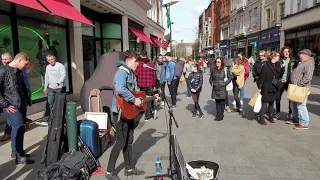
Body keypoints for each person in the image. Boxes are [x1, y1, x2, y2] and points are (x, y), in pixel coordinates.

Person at [105, 50, 150, 180]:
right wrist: (133, 99)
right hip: (120, 113)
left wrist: (149, 97)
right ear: (128, 61)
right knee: (120, 141)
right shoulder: (122, 73)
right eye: (135, 61)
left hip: (128, 112)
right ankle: (109, 171)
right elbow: (120, 89)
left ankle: (129, 168)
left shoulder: (131, 73)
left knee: (129, 141)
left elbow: (136, 93)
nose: (137, 63)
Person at [0, 52, 34, 164]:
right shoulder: (3, 70)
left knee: (20, 129)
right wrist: (5, 105)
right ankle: (19, 156)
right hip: (11, 106)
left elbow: (22, 87)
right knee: (19, 128)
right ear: (19, 60)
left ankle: (17, 151)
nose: (25, 67)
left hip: (21, 104)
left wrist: (27, 101)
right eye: (25, 64)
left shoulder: (18, 71)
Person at [286, 49, 314, 130]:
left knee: (301, 106)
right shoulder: (303, 62)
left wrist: (299, 84)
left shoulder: (309, 63)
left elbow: (308, 77)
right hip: (296, 87)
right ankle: (295, 118)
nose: (299, 55)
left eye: (300, 54)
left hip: (302, 88)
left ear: (305, 55)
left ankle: (304, 123)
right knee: (293, 104)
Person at [36, 54, 66, 126]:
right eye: (49, 60)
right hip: (50, 88)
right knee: (49, 103)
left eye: (52, 59)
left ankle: (62, 120)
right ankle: (47, 119)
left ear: (54, 59)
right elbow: (46, 76)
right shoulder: (48, 67)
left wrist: (58, 83)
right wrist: (45, 87)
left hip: (59, 88)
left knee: (59, 104)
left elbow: (63, 75)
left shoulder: (60, 66)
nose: (51, 61)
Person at [257, 51, 281, 125]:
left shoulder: (277, 65)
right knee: (264, 103)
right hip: (266, 87)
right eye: (277, 56)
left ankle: (271, 117)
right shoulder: (266, 66)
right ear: (274, 57)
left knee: (271, 102)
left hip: (274, 87)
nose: (279, 57)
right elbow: (262, 78)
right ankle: (261, 118)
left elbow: (279, 74)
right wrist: (260, 87)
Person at [276, 47, 298, 120]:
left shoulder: (293, 61)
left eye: (288, 51)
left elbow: (297, 71)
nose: (286, 53)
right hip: (281, 81)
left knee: (290, 99)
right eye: (285, 51)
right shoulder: (279, 61)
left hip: (289, 82)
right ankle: (278, 112)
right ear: (282, 52)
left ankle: (290, 113)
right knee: (278, 97)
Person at [134, 50, 156, 121]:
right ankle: (147, 114)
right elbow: (154, 76)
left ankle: (145, 112)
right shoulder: (151, 64)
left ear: (141, 56)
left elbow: (136, 74)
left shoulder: (139, 64)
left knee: (143, 99)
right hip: (150, 84)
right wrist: (154, 84)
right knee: (149, 99)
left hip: (142, 85)